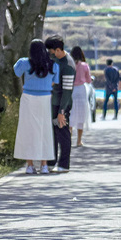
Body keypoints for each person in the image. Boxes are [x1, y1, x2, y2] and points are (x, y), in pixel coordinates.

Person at [13, 40, 57, 174]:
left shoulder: (25, 63)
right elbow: (55, 82)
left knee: (28, 130)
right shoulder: (53, 64)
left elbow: (16, 72)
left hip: (28, 98)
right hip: (45, 99)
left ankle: (30, 165)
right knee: (45, 130)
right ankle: (44, 165)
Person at [45, 35, 75, 173]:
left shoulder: (68, 65)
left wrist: (62, 111)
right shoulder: (57, 60)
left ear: (57, 50)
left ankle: (64, 164)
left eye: (51, 51)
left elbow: (67, 91)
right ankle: (51, 162)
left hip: (62, 104)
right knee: (53, 133)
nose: (49, 54)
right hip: (54, 102)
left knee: (63, 132)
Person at [70, 46, 91, 147]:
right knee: (81, 115)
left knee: (71, 114)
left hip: (71, 90)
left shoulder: (69, 64)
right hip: (81, 90)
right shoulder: (84, 65)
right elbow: (88, 80)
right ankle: (79, 141)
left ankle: (68, 140)